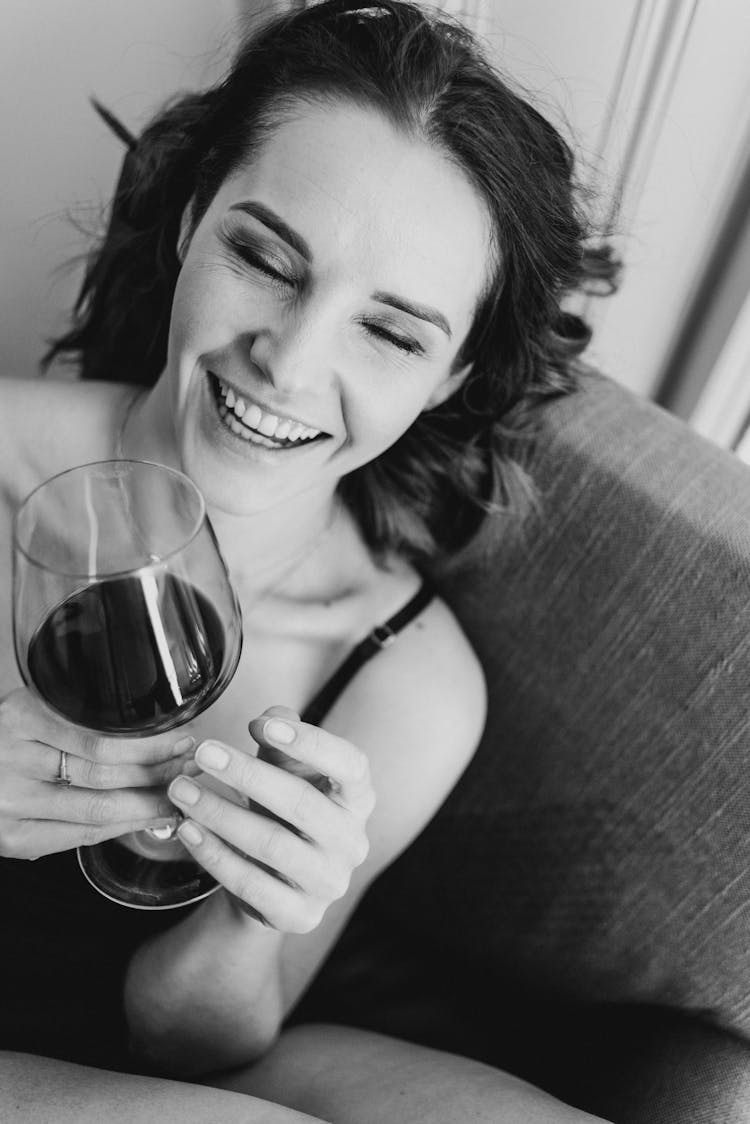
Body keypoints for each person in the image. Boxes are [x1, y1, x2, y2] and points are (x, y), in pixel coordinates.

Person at [0, 1, 617, 1120]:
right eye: (266, 258)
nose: (287, 363)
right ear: (193, 218)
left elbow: (189, 1044)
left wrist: (253, 915)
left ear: (448, 378)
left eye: (390, 330)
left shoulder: (404, 679)